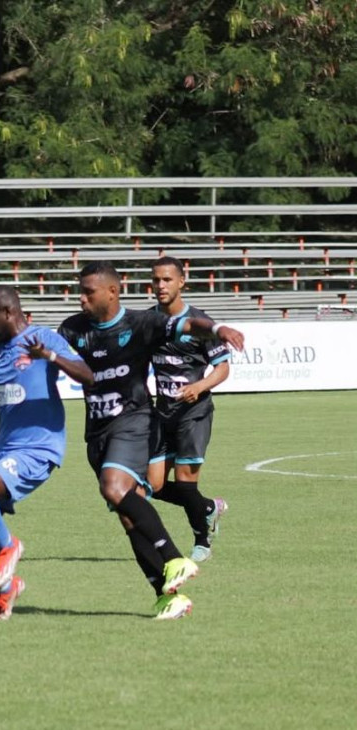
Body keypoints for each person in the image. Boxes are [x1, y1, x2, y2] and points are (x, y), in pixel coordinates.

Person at [58, 261, 244, 620]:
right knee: (130, 515)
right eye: (79, 291)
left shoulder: (142, 324)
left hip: (136, 423)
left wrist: (218, 328)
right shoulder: (73, 329)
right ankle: (166, 595)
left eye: (87, 292)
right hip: (97, 432)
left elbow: (191, 324)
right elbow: (48, 355)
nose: (80, 298)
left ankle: (181, 553)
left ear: (112, 291)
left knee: (117, 488)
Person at [0, 285, 95, 621]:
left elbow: (89, 376)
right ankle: (7, 590)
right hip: (4, 449)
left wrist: (50, 356)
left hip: (39, 446)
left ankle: (9, 547)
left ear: (9, 313)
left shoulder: (43, 338)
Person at [148, 256, 230, 563]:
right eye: (156, 280)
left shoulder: (199, 323)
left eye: (167, 279)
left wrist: (199, 387)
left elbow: (222, 368)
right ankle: (208, 507)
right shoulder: (148, 322)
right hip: (161, 413)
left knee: (185, 483)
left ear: (181, 282)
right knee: (152, 486)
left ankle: (202, 540)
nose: (160, 285)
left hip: (193, 416)